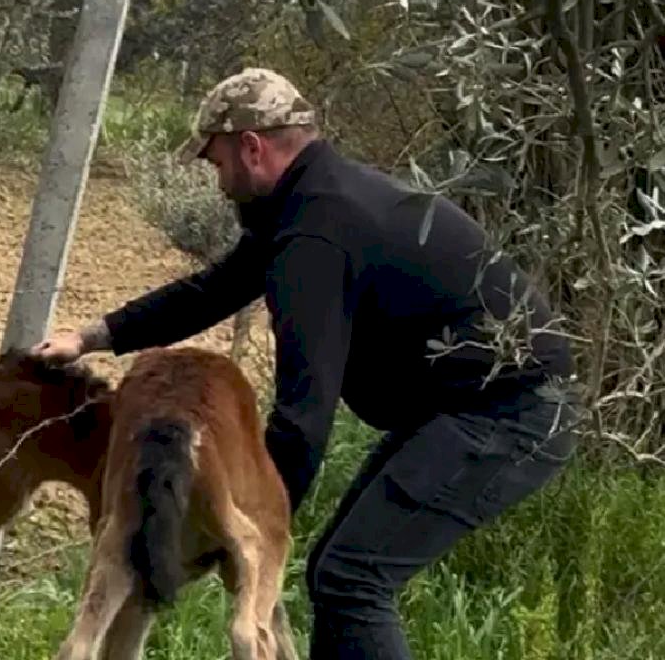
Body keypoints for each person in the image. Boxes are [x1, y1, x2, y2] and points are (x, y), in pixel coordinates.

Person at [32, 67, 578, 659]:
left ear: (252, 147)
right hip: (467, 406)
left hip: (510, 413)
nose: (219, 183)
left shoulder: (314, 242)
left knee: (353, 580)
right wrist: (92, 337)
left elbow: (303, 415)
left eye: (217, 164)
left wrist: (252, 528)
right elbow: (214, 290)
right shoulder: (309, 207)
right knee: (335, 573)